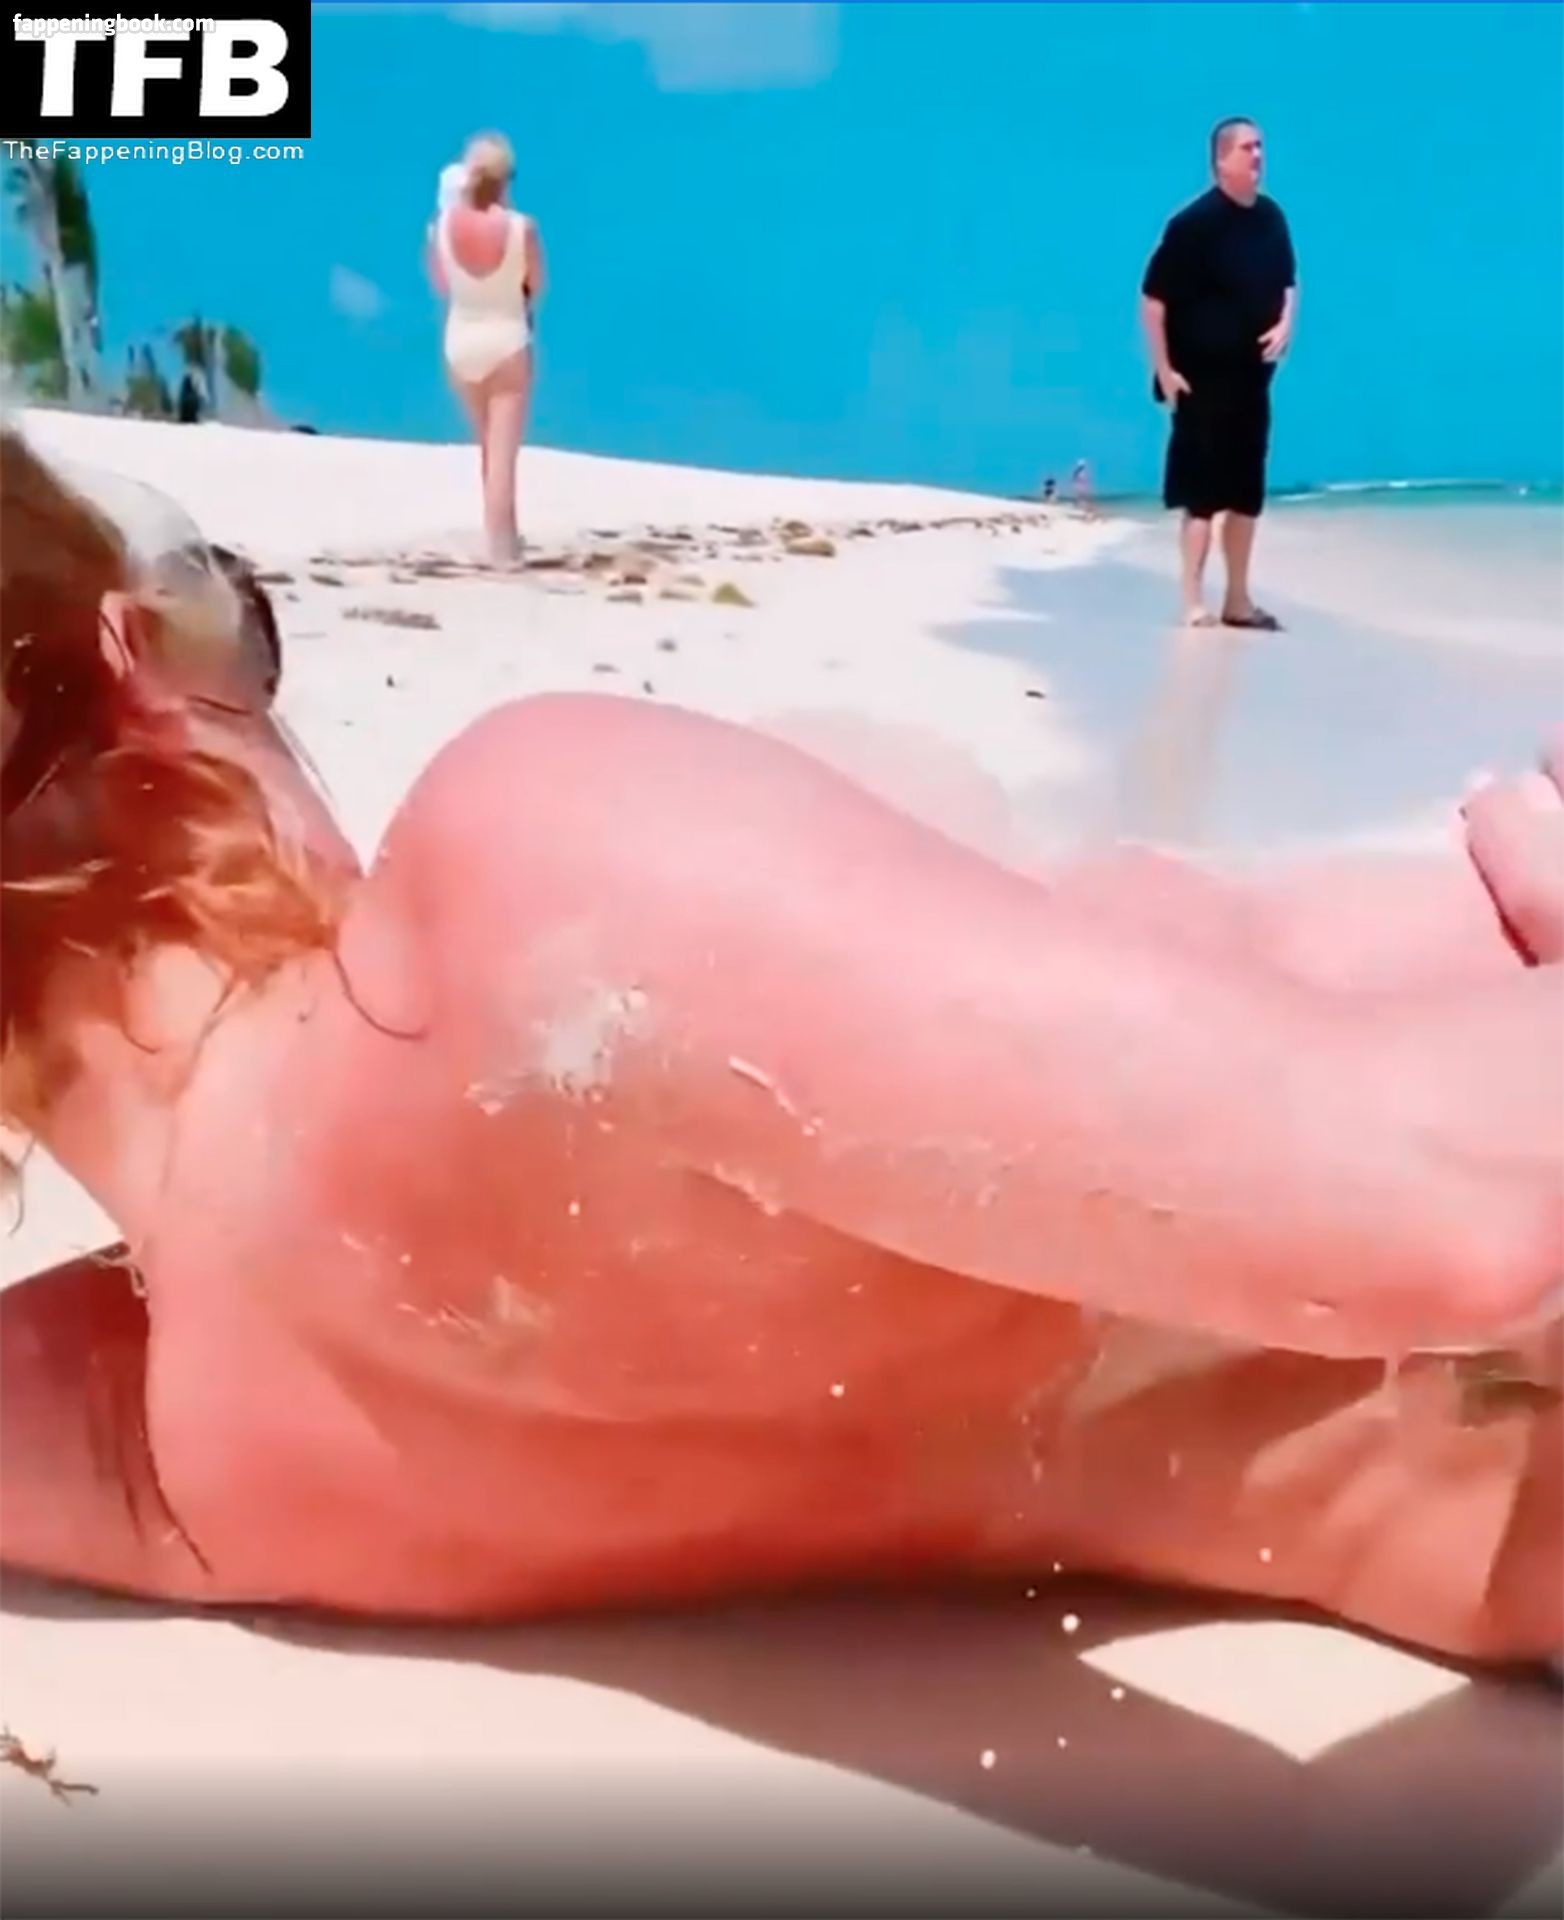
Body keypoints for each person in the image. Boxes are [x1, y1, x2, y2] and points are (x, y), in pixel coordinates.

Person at [1, 432, 1560, 1663]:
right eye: (247, 631)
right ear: (140, 658)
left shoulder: (174, 1438)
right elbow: (1455, 1218)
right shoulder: (527, 901)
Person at [1141, 118, 1297, 630]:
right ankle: (1192, 601)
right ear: (1222, 160)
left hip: (1252, 381)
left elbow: (1289, 282)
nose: (1258, 155)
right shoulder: (1193, 224)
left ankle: (1237, 599)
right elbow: (1153, 301)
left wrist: (1286, 323)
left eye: (1261, 147)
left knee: (1246, 496)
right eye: (1248, 147)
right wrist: (1164, 370)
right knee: (1201, 498)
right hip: (1200, 380)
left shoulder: (1271, 218)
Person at [426, 133, 547, 567]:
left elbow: (441, 283)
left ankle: (502, 535)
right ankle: (501, 549)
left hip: (461, 340)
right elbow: (536, 284)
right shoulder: (520, 228)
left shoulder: (442, 226)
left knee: (486, 448)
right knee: (502, 457)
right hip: (506, 339)